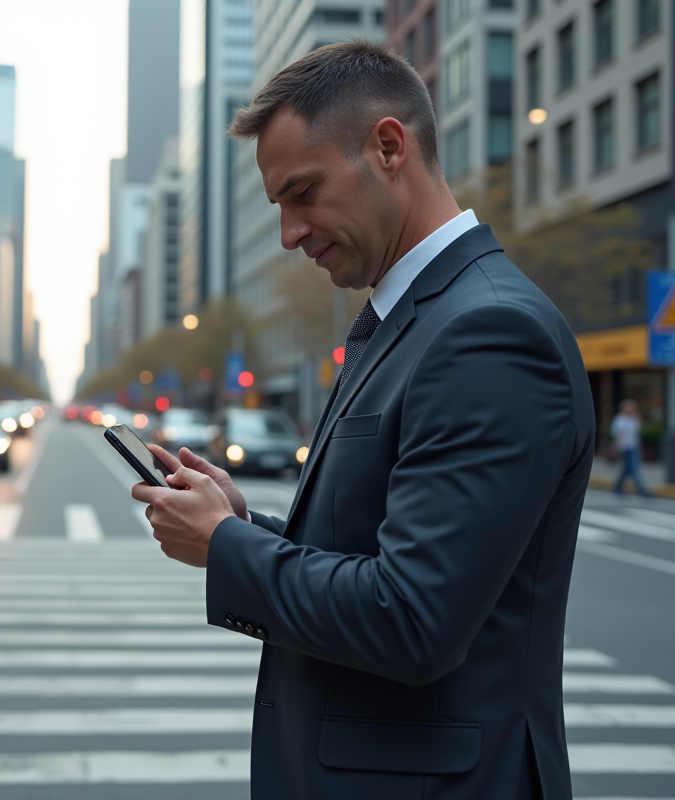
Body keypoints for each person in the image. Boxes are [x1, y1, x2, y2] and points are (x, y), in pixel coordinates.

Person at [131, 41, 594, 799]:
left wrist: (224, 548)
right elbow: (375, 551)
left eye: (302, 193)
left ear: (388, 147)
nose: (288, 233)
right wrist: (244, 524)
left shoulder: (489, 335)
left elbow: (412, 618)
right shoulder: (413, 322)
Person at [611, 399, 651, 497]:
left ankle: (617, 487)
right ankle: (642, 490)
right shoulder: (620, 419)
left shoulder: (634, 419)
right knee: (634, 469)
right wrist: (618, 446)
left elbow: (637, 432)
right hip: (625, 447)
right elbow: (617, 433)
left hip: (634, 447)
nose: (631, 409)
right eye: (629, 407)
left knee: (627, 469)